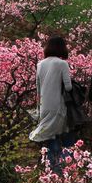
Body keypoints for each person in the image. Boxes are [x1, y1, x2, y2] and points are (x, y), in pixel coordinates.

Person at [31, 36, 75, 171]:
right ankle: (64, 170)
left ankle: (52, 172)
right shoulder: (62, 64)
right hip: (58, 106)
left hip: (44, 107)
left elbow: (38, 89)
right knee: (65, 137)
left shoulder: (40, 64)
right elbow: (68, 87)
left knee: (50, 138)